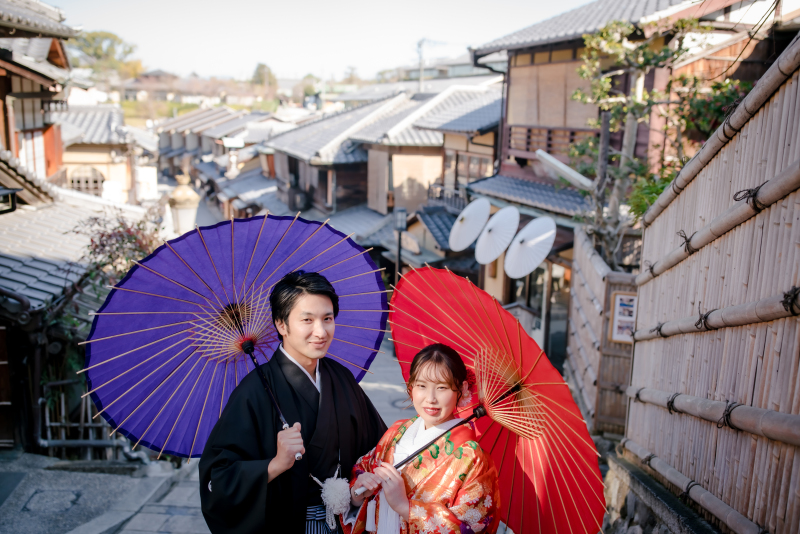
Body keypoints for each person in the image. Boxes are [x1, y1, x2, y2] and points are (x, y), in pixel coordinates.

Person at [200, 271, 388, 534]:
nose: (320, 332)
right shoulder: (254, 392)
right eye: (307, 320)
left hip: (345, 520)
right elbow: (218, 478)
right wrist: (274, 465)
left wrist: (363, 483)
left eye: (327, 318)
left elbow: (379, 447)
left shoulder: (341, 378)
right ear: (281, 324)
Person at [344, 344, 500, 534]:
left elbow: (473, 527)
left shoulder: (473, 459)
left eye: (442, 387)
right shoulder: (397, 431)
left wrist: (405, 508)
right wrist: (358, 492)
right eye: (422, 386)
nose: (430, 398)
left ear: (462, 388)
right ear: (411, 387)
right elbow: (361, 469)